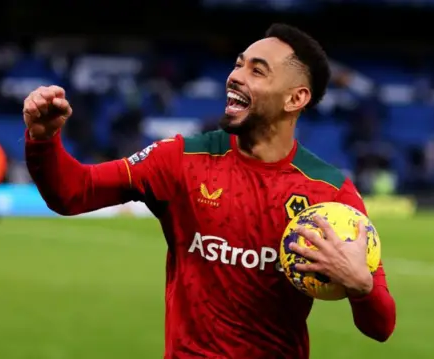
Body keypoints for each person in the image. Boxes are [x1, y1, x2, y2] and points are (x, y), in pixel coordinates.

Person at [23, 23, 396, 359]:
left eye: (256, 70)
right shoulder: (181, 158)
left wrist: (361, 286)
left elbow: (381, 327)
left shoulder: (330, 193)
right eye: (238, 64)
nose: (235, 77)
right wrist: (44, 140)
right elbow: (72, 193)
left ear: (295, 99)